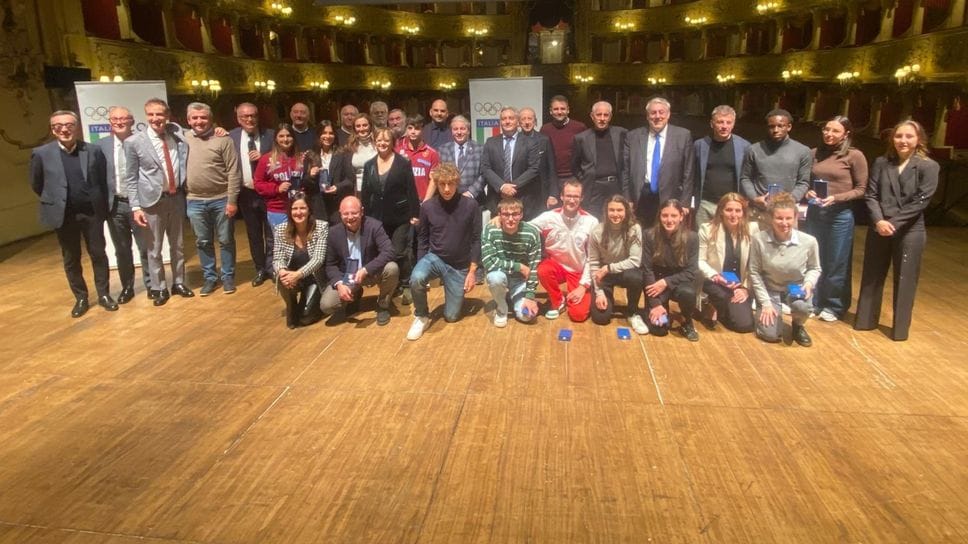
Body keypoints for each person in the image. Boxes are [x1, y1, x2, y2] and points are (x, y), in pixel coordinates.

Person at [854, 120, 939, 341]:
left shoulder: (928, 166)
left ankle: (899, 330)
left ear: (918, 139)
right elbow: (871, 194)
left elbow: (922, 200)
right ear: (892, 138)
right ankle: (865, 321)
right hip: (879, 226)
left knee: (905, 279)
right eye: (899, 136)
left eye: (908, 136)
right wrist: (879, 221)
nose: (903, 141)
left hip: (910, 230)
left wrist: (893, 223)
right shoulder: (882, 162)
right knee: (872, 275)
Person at [30, 110, 116, 317]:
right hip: (64, 215)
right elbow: (36, 183)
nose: (64, 129)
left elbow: (102, 181)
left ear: (76, 127)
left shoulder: (93, 151)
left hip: (91, 213)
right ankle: (81, 298)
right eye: (58, 126)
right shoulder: (41, 153)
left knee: (98, 254)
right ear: (52, 129)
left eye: (69, 124)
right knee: (71, 258)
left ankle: (104, 294)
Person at [124, 98, 194, 306]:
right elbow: (131, 177)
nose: (156, 118)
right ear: (146, 116)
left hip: (175, 198)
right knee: (154, 249)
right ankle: (159, 287)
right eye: (151, 114)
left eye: (160, 114)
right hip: (151, 202)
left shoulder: (177, 136)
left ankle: (179, 282)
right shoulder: (134, 142)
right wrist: (135, 206)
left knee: (178, 245)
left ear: (167, 115)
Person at [802, 115, 868, 322]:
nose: (829, 134)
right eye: (826, 130)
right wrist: (808, 193)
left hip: (840, 216)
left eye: (835, 131)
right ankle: (813, 301)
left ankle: (834, 305)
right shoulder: (814, 153)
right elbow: (805, 182)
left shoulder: (854, 156)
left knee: (836, 262)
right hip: (815, 214)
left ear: (846, 134)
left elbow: (862, 189)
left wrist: (836, 198)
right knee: (814, 259)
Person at [407, 163, 481, 340]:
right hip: (435, 258)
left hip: (459, 266)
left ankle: (455, 294)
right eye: (442, 184)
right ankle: (421, 315)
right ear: (437, 184)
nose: (447, 189)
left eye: (451, 184)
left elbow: (477, 239)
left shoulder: (471, 205)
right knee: (416, 278)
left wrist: (472, 272)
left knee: (452, 316)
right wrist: (421, 270)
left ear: (457, 183)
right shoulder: (427, 207)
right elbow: (423, 240)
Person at [183, 102, 242, 296]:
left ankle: (227, 277)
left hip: (221, 199)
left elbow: (234, 172)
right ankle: (209, 278)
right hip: (194, 200)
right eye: (195, 118)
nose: (199, 121)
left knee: (226, 240)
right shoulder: (182, 138)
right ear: (188, 120)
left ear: (210, 119)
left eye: (203, 117)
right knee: (202, 241)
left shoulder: (223, 140)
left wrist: (232, 200)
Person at [748, 192, 821, 346]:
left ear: (795, 218)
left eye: (788, 218)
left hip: (795, 288)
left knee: (802, 307)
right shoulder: (758, 239)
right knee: (770, 335)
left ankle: (798, 325)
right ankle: (771, 315)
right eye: (779, 218)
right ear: (770, 218)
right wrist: (766, 303)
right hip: (770, 289)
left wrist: (808, 283)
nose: (784, 222)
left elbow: (815, 268)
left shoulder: (809, 241)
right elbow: (754, 272)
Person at [96, 106, 150, 303]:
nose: (118, 122)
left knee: (145, 247)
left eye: (123, 119)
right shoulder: (100, 146)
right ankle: (127, 287)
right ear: (110, 122)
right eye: (114, 119)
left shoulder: (143, 142)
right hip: (115, 206)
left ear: (132, 121)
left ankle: (151, 284)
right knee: (122, 249)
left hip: (140, 205)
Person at [360, 128, 420, 303]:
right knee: (383, 252)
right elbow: (365, 192)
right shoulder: (369, 165)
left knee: (400, 251)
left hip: (401, 216)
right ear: (375, 142)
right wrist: (364, 213)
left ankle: (406, 284)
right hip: (376, 217)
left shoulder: (403, 163)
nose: (382, 143)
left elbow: (411, 190)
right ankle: (392, 285)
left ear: (392, 142)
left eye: (386, 140)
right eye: (379, 140)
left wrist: (415, 214)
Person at [321, 196, 398, 325]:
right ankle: (354, 296)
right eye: (346, 214)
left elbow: (389, 251)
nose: (350, 217)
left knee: (392, 268)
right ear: (340, 214)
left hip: (370, 272)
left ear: (362, 211)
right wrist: (339, 284)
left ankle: (383, 305)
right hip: (347, 277)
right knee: (327, 305)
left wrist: (366, 269)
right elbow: (330, 265)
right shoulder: (333, 233)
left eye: (354, 213)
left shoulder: (374, 226)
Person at [531, 179, 599, 322]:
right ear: (561, 196)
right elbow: (525, 228)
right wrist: (500, 220)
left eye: (575, 196)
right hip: (557, 268)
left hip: (578, 271)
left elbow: (593, 258)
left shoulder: (591, 222)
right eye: (568, 195)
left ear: (581, 198)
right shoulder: (549, 217)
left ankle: (584, 294)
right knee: (543, 270)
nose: (571, 200)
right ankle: (558, 300)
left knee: (578, 316)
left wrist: (583, 286)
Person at [623, 97, 695, 227]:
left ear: (668, 114)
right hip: (641, 196)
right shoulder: (633, 136)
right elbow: (625, 170)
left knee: (668, 236)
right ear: (647, 116)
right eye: (653, 113)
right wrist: (627, 198)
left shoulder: (683, 136)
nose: (657, 116)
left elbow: (688, 172)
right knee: (641, 233)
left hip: (671, 195)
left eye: (661, 112)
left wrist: (685, 202)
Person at [229, 102, 275, 287]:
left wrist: (264, 157)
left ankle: (271, 267)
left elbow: (281, 158)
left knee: (271, 233)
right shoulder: (230, 137)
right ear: (238, 118)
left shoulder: (270, 135)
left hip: (269, 193)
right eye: (245, 116)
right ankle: (260, 269)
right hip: (246, 194)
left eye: (253, 116)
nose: (249, 119)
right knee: (253, 234)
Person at [697, 193, 758, 333]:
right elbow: (699, 260)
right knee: (737, 318)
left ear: (743, 212)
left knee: (745, 326)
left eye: (738, 210)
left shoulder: (752, 230)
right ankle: (708, 302)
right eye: (729, 210)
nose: (733, 214)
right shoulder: (707, 229)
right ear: (721, 211)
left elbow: (755, 265)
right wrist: (715, 276)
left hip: (739, 284)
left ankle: (718, 310)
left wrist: (746, 289)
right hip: (715, 281)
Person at [642, 199, 700, 340]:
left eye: (673, 216)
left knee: (688, 293)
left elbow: (691, 272)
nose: (669, 220)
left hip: (679, 281)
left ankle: (687, 320)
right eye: (665, 215)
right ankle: (659, 307)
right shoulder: (649, 235)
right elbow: (647, 269)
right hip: (655, 283)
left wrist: (666, 282)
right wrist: (655, 304)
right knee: (659, 330)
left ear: (681, 216)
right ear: (659, 216)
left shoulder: (692, 238)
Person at [588, 195, 647, 334]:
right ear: (606, 212)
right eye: (612, 210)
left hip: (623, 271)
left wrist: (609, 268)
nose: (615, 214)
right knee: (600, 318)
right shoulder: (597, 231)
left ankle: (633, 313)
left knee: (636, 277)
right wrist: (599, 292)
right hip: (604, 275)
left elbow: (635, 260)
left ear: (626, 211)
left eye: (619, 210)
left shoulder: (634, 229)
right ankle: (609, 299)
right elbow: (594, 264)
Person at [740, 108, 811, 222]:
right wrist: (754, 198)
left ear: (789, 127)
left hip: (786, 214)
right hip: (758, 211)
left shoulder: (802, 151)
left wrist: (788, 201)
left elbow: (803, 182)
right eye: (771, 126)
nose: (775, 130)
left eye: (780, 126)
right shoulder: (753, 150)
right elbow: (745, 178)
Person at [481, 197, 541, 327]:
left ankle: (511, 297)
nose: (510, 218)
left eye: (515, 214)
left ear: (521, 215)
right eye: (506, 214)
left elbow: (534, 266)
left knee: (527, 316)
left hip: (520, 282)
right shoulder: (490, 229)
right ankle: (502, 308)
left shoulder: (531, 233)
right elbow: (488, 263)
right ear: (499, 215)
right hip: (500, 275)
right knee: (494, 277)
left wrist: (530, 297)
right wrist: (518, 266)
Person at [273, 192, 328, 329]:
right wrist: (283, 271)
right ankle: (291, 305)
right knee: (281, 277)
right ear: (289, 211)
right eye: (294, 209)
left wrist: (297, 274)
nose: (298, 212)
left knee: (305, 318)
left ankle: (313, 304)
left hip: (313, 278)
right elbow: (277, 257)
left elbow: (318, 259)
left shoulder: (321, 227)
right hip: (292, 278)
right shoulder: (280, 230)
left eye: (302, 208)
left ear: (309, 210)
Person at [693, 105, 751, 227]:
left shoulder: (744, 147)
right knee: (704, 241)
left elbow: (748, 176)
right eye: (720, 122)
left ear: (733, 124)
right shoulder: (699, 145)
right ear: (712, 123)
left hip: (732, 205)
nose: (724, 126)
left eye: (728, 122)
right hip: (705, 203)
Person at [481, 107, 541, 219]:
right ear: (500, 122)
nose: (507, 121)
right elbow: (485, 167)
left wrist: (512, 187)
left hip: (522, 199)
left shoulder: (531, 142)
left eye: (511, 118)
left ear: (517, 121)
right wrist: (502, 186)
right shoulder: (490, 142)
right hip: (497, 200)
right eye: (504, 119)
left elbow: (534, 168)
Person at [572, 101, 626, 220]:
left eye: (605, 115)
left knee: (615, 219)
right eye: (598, 115)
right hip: (593, 188)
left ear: (610, 116)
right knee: (592, 220)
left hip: (615, 185)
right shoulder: (581, 138)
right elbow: (575, 166)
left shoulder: (621, 133)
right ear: (592, 116)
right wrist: (587, 177)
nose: (602, 118)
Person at [254, 124, 303, 235]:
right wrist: (276, 188)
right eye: (281, 136)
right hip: (278, 210)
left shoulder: (301, 158)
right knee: (284, 245)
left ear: (293, 138)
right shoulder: (266, 159)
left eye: (288, 136)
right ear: (275, 138)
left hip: (300, 209)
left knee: (301, 244)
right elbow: (258, 184)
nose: (285, 139)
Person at [305, 120, 354, 225]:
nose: (328, 136)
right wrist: (311, 176)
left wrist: (337, 187)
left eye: (331, 133)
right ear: (318, 135)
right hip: (318, 206)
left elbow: (350, 180)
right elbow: (305, 183)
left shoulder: (343, 154)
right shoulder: (311, 155)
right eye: (324, 133)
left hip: (336, 206)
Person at [540, 94, 586, 183]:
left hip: (574, 177)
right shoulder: (545, 129)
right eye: (556, 109)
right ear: (550, 111)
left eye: (563, 109)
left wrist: (581, 176)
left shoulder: (579, 127)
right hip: (552, 178)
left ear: (568, 110)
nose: (559, 112)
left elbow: (586, 153)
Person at [437, 115, 485, 202]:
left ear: (468, 131)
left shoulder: (480, 149)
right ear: (451, 131)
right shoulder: (443, 149)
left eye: (462, 129)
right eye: (455, 129)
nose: (459, 132)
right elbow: (439, 175)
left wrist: (470, 193)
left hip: (475, 200)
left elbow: (484, 174)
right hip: (450, 199)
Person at [397, 114, 440, 201]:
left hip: (423, 201)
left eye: (417, 128)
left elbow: (434, 180)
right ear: (406, 129)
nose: (413, 132)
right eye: (410, 128)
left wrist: (426, 202)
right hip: (404, 202)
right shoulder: (398, 152)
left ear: (423, 130)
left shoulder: (432, 153)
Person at [345, 113, 377, 192]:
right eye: (358, 126)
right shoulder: (349, 147)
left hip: (376, 189)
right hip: (357, 190)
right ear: (354, 128)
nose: (362, 129)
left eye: (365, 125)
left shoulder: (378, 144)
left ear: (370, 126)